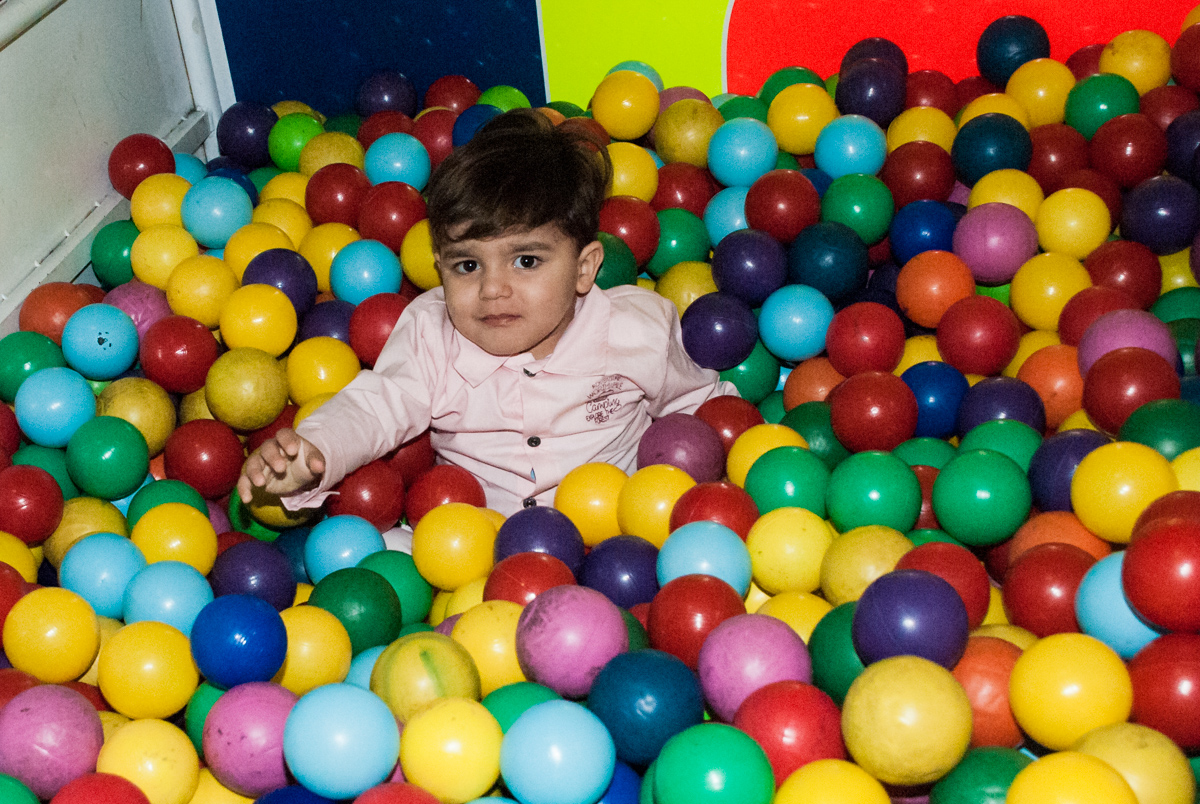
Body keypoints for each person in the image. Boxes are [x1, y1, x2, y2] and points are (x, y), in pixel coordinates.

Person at [237, 108, 738, 523]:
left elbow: (702, 408)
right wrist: (315, 451)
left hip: (623, 535)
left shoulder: (636, 329)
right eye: (468, 265)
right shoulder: (432, 333)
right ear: (440, 268)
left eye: (527, 261)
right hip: (472, 552)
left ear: (584, 268)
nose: (493, 289)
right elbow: (375, 406)